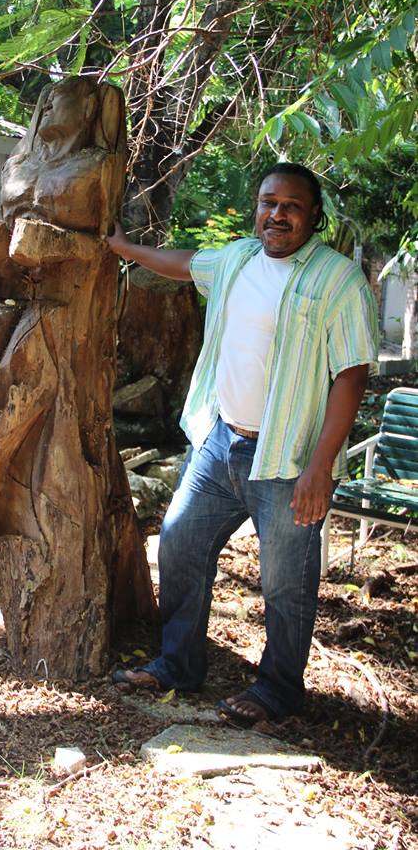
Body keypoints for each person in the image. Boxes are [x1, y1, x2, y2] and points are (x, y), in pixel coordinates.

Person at [106, 162, 379, 723]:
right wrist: (125, 249)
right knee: (179, 544)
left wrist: (321, 468)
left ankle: (278, 690)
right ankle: (179, 664)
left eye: (291, 206)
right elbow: (185, 264)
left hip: (287, 459)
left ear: (314, 216)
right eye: (268, 203)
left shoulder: (338, 281)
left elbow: (351, 375)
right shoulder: (235, 259)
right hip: (218, 442)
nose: (277, 214)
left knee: (285, 582)